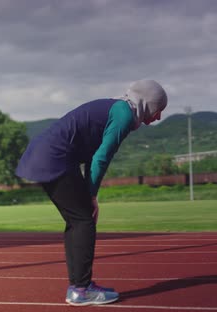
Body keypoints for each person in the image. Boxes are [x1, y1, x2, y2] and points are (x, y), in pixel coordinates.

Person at [15, 80, 168, 306]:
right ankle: (81, 289)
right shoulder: (124, 115)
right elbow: (101, 158)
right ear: (147, 104)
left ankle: (79, 286)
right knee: (83, 221)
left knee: (78, 220)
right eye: (158, 110)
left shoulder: (117, 108)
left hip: (48, 154)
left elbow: (91, 155)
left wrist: (89, 194)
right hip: (54, 157)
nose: (158, 117)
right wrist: (92, 196)